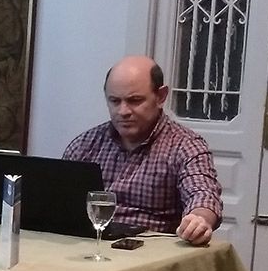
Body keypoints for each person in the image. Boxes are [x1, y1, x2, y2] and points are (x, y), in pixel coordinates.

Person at [63, 55, 223, 245]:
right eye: (114, 101)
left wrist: (199, 220)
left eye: (135, 100)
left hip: (149, 256)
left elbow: (203, 194)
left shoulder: (185, 146)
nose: (123, 111)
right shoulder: (85, 145)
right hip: (91, 249)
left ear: (161, 96)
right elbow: (58, 202)